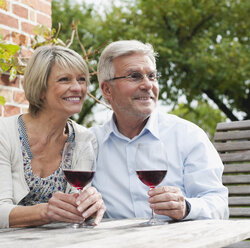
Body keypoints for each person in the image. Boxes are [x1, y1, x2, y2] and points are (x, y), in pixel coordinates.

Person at [0, 45, 106, 235]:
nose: (77, 88)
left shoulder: (84, 139)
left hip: (35, 237)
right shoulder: (1, 133)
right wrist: (48, 211)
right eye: (64, 79)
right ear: (40, 90)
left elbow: (74, 208)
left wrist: (87, 207)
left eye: (82, 79)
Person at [91, 40, 228, 221]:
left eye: (152, 76)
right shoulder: (91, 143)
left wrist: (186, 208)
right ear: (107, 89)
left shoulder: (188, 136)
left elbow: (218, 205)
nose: (148, 85)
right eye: (134, 76)